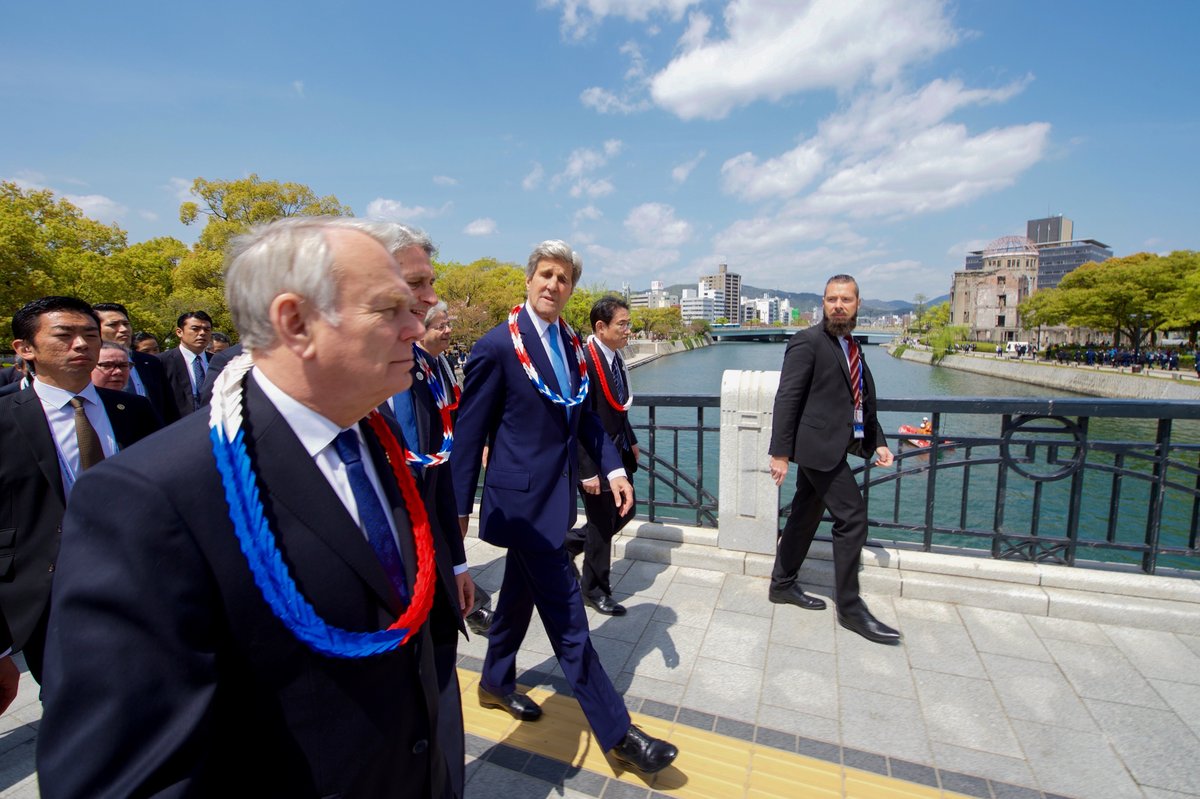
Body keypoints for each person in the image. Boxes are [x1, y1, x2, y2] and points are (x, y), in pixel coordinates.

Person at [37, 218, 452, 798]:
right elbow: (126, 778)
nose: (418, 326)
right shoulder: (147, 499)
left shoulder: (372, 434)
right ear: (295, 322)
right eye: (389, 309)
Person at [452, 240, 678, 775]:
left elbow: (586, 419)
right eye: (546, 274)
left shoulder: (572, 344)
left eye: (564, 278)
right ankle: (619, 734)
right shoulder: (496, 347)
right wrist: (457, 513)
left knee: (517, 597)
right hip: (519, 505)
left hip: (558, 498)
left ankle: (494, 680)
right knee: (571, 625)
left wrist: (615, 467)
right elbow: (468, 435)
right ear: (529, 280)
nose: (554, 284)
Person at [0, 296, 160, 684]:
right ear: (25, 349)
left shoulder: (132, 410)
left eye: (90, 334)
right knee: (70, 698)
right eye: (64, 335)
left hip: (142, 578)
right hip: (47, 593)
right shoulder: (5, 419)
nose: (81, 344)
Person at [374, 224, 477, 799]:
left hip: (433, 579)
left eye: (430, 283)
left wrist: (457, 565)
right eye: (418, 283)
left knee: (440, 723)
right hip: (370, 607)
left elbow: (436, 478)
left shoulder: (422, 372)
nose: (434, 298)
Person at [767, 274, 900, 645]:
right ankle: (850, 607)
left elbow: (862, 400)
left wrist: (878, 442)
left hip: (833, 445)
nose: (838, 305)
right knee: (852, 518)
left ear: (858, 304)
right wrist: (780, 452)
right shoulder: (806, 342)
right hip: (815, 448)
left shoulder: (851, 346)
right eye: (831, 299)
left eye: (845, 299)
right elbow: (787, 398)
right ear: (822, 303)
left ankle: (782, 584)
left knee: (804, 516)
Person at [417, 300, 494, 638]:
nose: (448, 331)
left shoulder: (443, 364)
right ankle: (471, 604)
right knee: (446, 535)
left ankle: (463, 594)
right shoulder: (413, 369)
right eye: (441, 325)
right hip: (435, 465)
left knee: (453, 530)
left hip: (456, 459)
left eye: (448, 324)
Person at [566, 296, 639, 616]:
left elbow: (618, 407)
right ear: (601, 326)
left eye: (628, 323)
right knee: (600, 524)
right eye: (622, 324)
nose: (628, 330)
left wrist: (631, 440)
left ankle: (567, 546)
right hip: (595, 460)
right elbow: (579, 420)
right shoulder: (584, 361)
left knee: (625, 512)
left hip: (618, 454)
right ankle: (594, 589)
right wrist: (587, 471)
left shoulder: (616, 358)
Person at [91, 303, 179, 425]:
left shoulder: (151, 362)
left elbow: (168, 408)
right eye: (113, 325)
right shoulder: (88, 362)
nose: (123, 329)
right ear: (94, 328)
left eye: (126, 324)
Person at [157, 310, 213, 417]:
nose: (202, 333)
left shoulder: (218, 362)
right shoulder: (162, 362)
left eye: (207, 329)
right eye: (195, 329)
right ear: (179, 332)